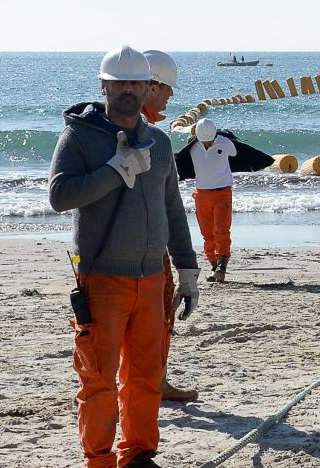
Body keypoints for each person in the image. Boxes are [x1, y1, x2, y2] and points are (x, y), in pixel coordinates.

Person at [48, 45, 199, 468]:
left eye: (138, 84)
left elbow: (172, 207)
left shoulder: (159, 142)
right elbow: (59, 195)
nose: (130, 91)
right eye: (121, 83)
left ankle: (137, 459)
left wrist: (188, 266)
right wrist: (114, 171)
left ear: (147, 88)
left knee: (145, 376)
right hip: (103, 278)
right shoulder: (80, 138)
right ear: (104, 86)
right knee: (97, 378)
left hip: (152, 278)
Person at [139, 48, 198, 405]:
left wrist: (186, 264)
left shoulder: (148, 134)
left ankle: (153, 380)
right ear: (149, 86)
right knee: (153, 316)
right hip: (140, 250)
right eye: (166, 88)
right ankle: (151, 383)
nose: (171, 95)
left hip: (131, 246)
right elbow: (169, 207)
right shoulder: (147, 136)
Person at [174, 118, 274, 282]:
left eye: (210, 140)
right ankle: (214, 266)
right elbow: (179, 163)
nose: (207, 143)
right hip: (201, 194)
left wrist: (260, 162)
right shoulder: (191, 148)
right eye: (204, 141)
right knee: (207, 234)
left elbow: (242, 153)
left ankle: (222, 267)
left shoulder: (225, 143)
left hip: (223, 193)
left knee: (221, 230)